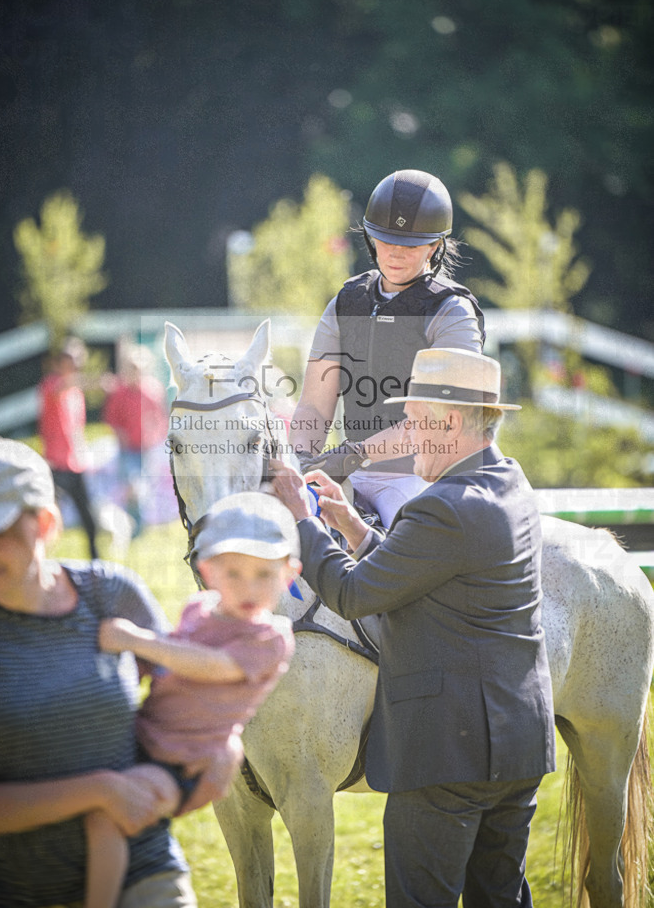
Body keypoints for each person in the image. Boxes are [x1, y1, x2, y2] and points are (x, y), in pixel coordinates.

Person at [271, 347, 556, 908]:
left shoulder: (442, 507)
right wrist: (351, 527)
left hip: (447, 753)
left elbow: (353, 596)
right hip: (518, 743)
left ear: (450, 423)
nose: (408, 442)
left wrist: (305, 524)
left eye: (417, 425)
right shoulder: (509, 481)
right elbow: (429, 575)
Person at [0, 436, 197, 908]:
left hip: (142, 865)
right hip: (20, 889)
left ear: (47, 523)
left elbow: (188, 700)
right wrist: (100, 791)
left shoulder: (110, 594)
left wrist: (204, 760)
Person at [86, 491, 299, 908]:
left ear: (290, 574)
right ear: (207, 570)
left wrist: (139, 640)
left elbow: (211, 666)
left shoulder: (270, 638)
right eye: (233, 573)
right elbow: (171, 663)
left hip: (184, 762)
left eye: (263, 574)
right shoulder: (198, 609)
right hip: (142, 738)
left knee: (106, 819)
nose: (248, 587)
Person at [290, 168, 486, 527]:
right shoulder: (344, 304)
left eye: (410, 245)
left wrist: (355, 454)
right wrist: (301, 459)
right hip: (351, 470)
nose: (395, 254)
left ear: (434, 245)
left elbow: (437, 420)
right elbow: (314, 406)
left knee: (407, 546)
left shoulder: (452, 313)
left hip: (427, 475)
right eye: (384, 240)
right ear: (370, 239)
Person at [38, 336, 100, 558]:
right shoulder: (50, 385)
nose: (72, 366)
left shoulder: (76, 393)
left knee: (90, 520)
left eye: (76, 360)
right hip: (56, 464)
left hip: (76, 464)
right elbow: (62, 386)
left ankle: (96, 563)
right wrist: (98, 381)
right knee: (47, 519)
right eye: (68, 359)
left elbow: (77, 428)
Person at [103, 345, 169, 536]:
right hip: (127, 448)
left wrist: (156, 436)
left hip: (146, 447)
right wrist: (119, 435)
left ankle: (138, 527)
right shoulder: (120, 391)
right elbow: (112, 418)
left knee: (143, 487)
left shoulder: (153, 390)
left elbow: (160, 418)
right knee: (131, 486)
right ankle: (132, 524)